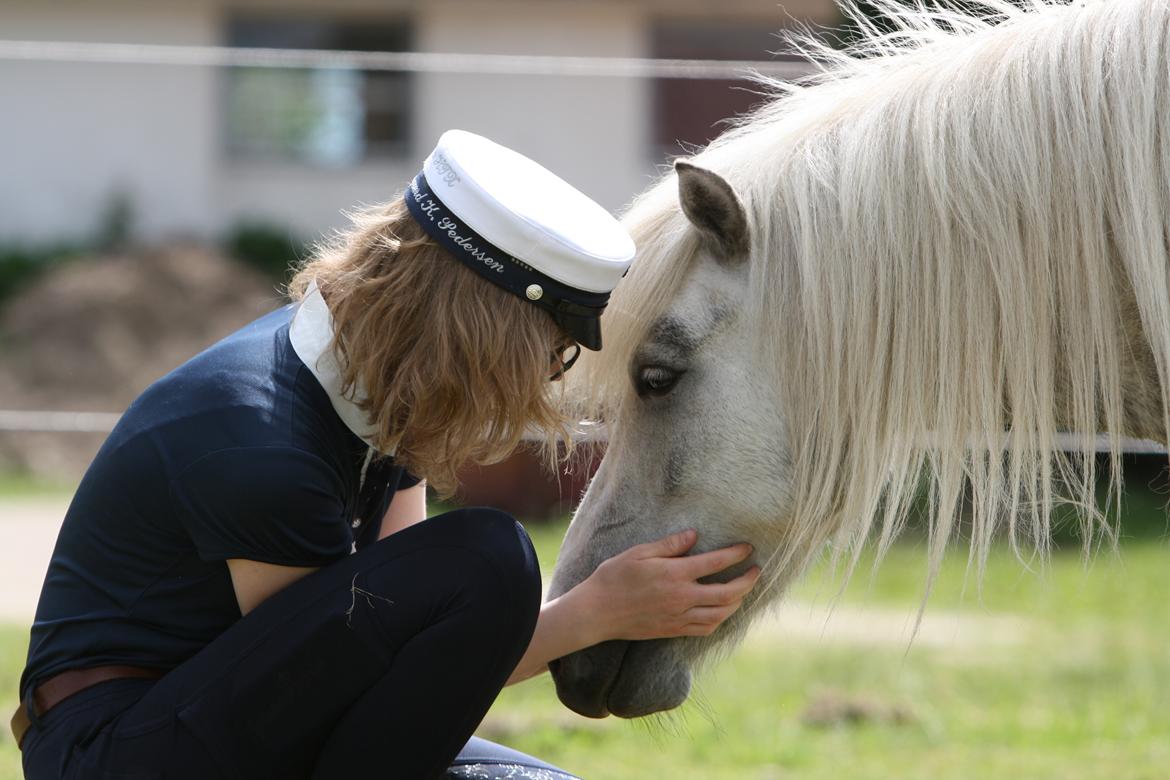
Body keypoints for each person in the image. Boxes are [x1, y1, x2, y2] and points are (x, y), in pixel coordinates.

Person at [12, 130, 761, 779]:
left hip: (210, 728)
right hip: (117, 749)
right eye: (550, 348)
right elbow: (330, 695)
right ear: (479, 331)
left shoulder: (379, 394)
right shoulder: (259, 440)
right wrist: (595, 614)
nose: (547, 374)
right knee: (488, 559)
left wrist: (591, 614)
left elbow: (412, 655)